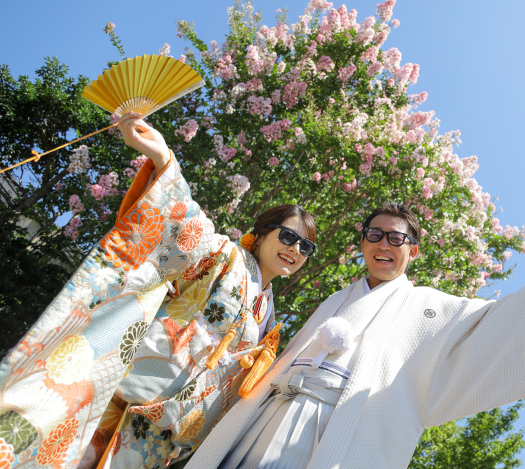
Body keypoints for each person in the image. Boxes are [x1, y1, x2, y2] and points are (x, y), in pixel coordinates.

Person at [0, 113, 317, 469]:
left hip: (167, 430)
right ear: (260, 234)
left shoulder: (268, 315)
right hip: (132, 389)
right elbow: (187, 224)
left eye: (307, 247)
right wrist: (164, 159)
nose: (295, 249)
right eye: (288, 236)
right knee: (61, 453)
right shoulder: (226, 255)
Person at [187, 203, 525, 468]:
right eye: (374, 235)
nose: (383, 244)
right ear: (363, 242)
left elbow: (501, 321)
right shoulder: (337, 297)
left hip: (334, 422)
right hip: (274, 408)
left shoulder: (433, 306)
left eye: (396, 238)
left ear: (413, 250)